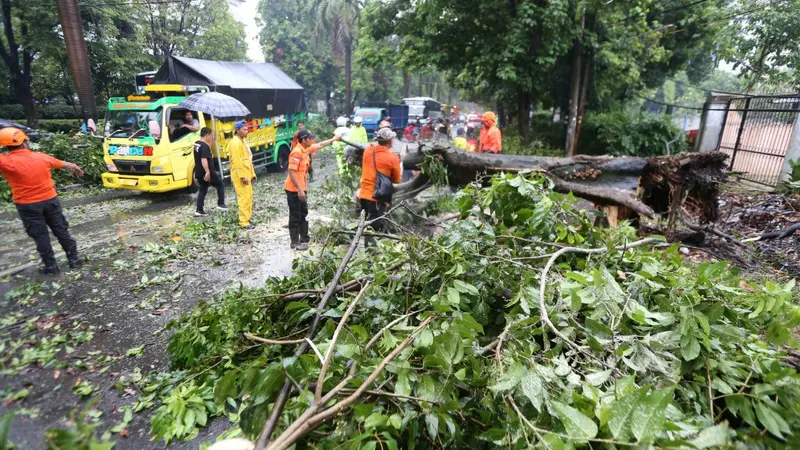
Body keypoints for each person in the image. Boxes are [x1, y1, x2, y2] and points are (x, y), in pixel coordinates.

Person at [0, 127, 85, 274]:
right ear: (25, 142)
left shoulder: (6, 161)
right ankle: (74, 260)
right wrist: (76, 167)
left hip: (27, 205)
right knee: (61, 230)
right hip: (50, 201)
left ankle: (51, 267)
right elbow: (66, 164)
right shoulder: (41, 157)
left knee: (41, 236)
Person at [285, 130, 341, 250]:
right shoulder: (296, 152)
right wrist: (299, 190)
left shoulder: (306, 149)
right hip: (294, 189)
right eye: (311, 138)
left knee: (303, 212)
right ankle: (294, 242)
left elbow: (320, 145)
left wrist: (333, 139)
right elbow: (291, 171)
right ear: (304, 140)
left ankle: (304, 238)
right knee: (295, 215)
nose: (313, 140)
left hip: (302, 188)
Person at [358, 127, 402, 246]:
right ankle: (371, 257)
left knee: (368, 223)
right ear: (390, 141)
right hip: (377, 197)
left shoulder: (368, 151)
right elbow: (397, 179)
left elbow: (371, 147)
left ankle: (370, 251)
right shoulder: (392, 157)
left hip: (363, 195)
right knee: (374, 226)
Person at [227, 120, 256, 229]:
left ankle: (247, 218)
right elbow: (237, 161)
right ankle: (244, 222)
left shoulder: (242, 141)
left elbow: (247, 159)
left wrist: (252, 174)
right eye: (244, 129)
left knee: (248, 196)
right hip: (241, 175)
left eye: (247, 129)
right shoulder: (235, 143)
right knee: (244, 198)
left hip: (246, 173)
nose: (246, 131)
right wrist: (242, 176)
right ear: (237, 130)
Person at [194, 127, 228, 217]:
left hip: (198, 171)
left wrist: (212, 141)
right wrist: (208, 172)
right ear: (207, 135)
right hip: (207, 171)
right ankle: (221, 204)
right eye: (211, 136)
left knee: (203, 189)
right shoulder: (204, 146)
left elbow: (206, 149)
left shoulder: (197, 144)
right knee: (220, 185)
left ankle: (199, 209)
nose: (211, 137)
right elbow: (204, 159)